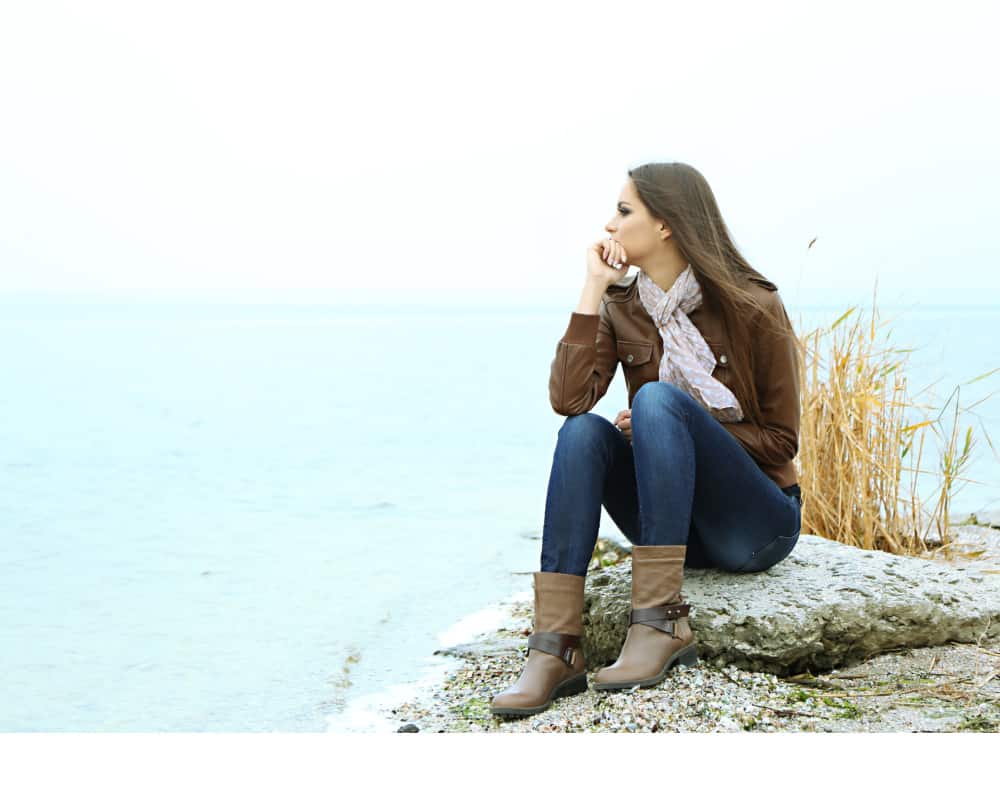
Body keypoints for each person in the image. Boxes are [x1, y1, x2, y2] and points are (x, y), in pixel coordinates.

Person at [490, 162, 804, 718]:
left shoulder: (754, 303)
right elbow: (569, 400)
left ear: (666, 225)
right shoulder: (624, 305)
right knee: (584, 431)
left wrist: (687, 420)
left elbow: (781, 443)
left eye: (623, 210)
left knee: (658, 401)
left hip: (754, 525)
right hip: (670, 527)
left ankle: (662, 623)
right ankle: (556, 646)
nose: (609, 225)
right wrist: (593, 289)